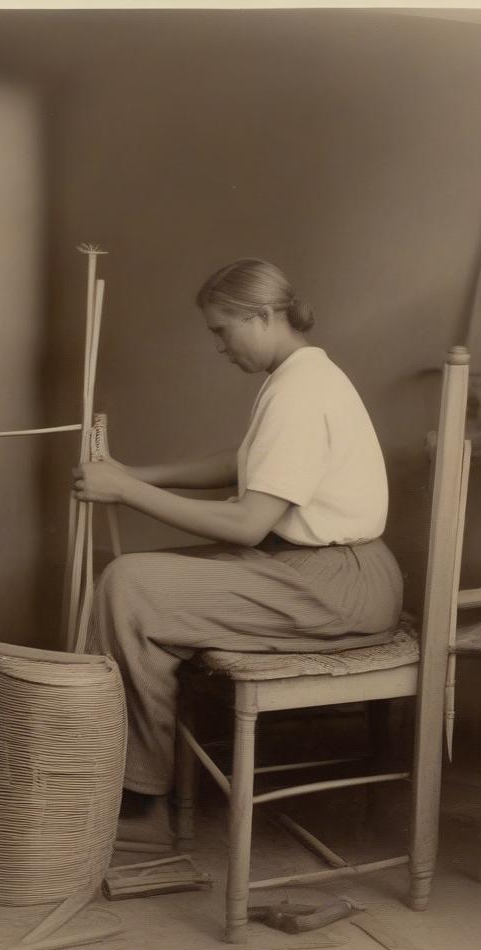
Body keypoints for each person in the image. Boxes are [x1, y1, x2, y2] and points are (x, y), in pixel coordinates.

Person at [72, 257, 403, 846]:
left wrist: (127, 492)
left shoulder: (301, 390)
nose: (219, 346)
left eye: (222, 330)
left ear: (263, 315)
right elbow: (242, 463)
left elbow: (248, 524)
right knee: (141, 580)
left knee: (130, 584)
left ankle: (144, 801)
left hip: (340, 584)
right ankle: (134, 773)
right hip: (311, 568)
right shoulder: (299, 376)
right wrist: (133, 473)